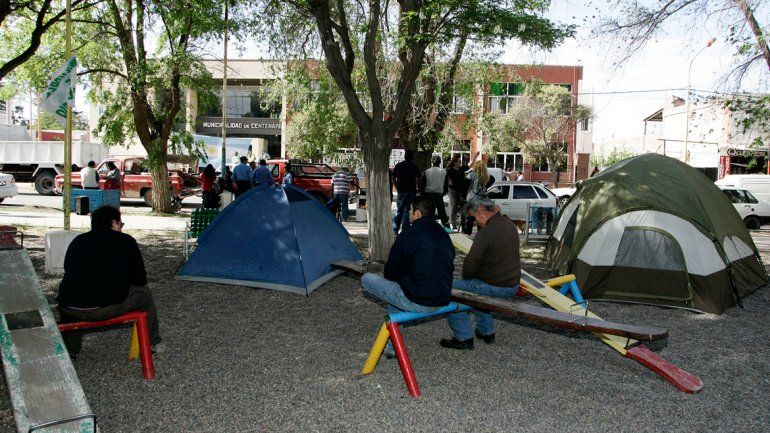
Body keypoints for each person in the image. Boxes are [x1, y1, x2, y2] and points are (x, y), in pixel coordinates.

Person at [57, 206, 164, 355]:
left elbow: (68, 269)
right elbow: (140, 278)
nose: (121, 227)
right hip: (102, 309)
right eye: (121, 224)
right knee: (144, 294)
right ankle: (152, 343)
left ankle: (71, 349)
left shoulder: (78, 241)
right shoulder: (126, 241)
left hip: (68, 308)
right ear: (114, 222)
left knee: (78, 295)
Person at [361, 196, 455, 353]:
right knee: (397, 289)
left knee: (366, 278)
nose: (409, 213)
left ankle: (392, 346)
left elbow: (390, 271)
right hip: (443, 296)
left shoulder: (409, 233)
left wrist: (402, 276)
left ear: (417, 213)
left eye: (410, 210)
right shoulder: (443, 234)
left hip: (419, 300)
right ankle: (392, 347)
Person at [441, 196, 521, 350]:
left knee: (450, 289)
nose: (475, 222)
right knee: (476, 288)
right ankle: (486, 332)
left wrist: (468, 276)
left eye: (474, 217)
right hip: (512, 284)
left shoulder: (485, 233)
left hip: (496, 286)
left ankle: (463, 337)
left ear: (482, 210)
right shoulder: (509, 225)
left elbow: (470, 265)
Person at [392, 150, 422, 234]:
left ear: (405, 156)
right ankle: (405, 229)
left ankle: (396, 228)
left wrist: (397, 186)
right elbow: (419, 178)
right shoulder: (414, 166)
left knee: (400, 210)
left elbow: (393, 177)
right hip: (411, 191)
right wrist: (419, 189)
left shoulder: (399, 165)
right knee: (406, 209)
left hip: (401, 191)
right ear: (412, 157)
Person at [463, 158, 491, 234]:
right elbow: (492, 180)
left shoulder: (472, 174)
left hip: (472, 197)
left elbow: (465, 185)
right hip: (482, 198)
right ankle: (480, 232)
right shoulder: (486, 175)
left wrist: (463, 196)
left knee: (470, 215)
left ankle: (468, 231)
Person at [422, 155, 449, 227]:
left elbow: (423, 185)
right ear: (440, 162)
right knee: (442, 213)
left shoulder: (427, 171)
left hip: (428, 195)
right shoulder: (444, 172)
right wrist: (442, 194)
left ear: (432, 162)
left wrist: (424, 195)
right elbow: (446, 186)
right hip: (438, 195)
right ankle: (447, 229)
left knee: (429, 213)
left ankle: (429, 228)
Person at [444, 155, 465, 230]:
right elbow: (445, 177)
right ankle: (453, 224)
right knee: (454, 206)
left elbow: (469, 166)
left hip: (461, 191)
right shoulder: (449, 169)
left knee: (463, 207)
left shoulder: (461, 169)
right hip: (452, 190)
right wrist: (448, 181)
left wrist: (475, 157)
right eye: (459, 161)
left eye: (460, 161)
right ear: (454, 162)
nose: (460, 162)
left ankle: (463, 223)